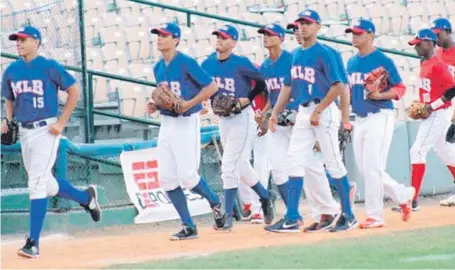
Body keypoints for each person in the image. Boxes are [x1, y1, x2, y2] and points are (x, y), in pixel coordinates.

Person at [1, 26, 101, 258]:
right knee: (44, 183)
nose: (18, 43)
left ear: (36, 41)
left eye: (23, 39)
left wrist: (62, 121)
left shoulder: (49, 66)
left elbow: (74, 90)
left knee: (36, 183)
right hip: (24, 132)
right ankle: (86, 198)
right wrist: (7, 120)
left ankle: (33, 242)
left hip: (47, 130)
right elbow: (9, 98)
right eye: (16, 40)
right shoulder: (12, 70)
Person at [265, 10, 358, 233]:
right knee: (294, 161)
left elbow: (339, 86)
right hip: (304, 112)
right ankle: (293, 217)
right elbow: (288, 86)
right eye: (300, 24)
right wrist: (275, 113)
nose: (302, 27)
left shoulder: (325, 53)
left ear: (318, 26)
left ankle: (348, 215)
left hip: (323, 112)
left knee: (333, 163)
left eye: (307, 23)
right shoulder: (296, 54)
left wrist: (326, 111)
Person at [147, 22, 225, 240]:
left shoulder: (186, 62)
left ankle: (215, 202)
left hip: (187, 122)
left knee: (188, 177)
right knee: (167, 179)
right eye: (158, 35)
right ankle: (188, 226)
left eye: (164, 35)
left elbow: (211, 87)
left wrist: (190, 104)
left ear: (176, 40)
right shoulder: (157, 67)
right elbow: (167, 99)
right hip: (167, 123)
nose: (159, 38)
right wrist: (155, 105)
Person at [201, 24, 276, 231]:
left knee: (229, 165)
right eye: (218, 36)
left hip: (242, 117)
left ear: (233, 43)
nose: (219, 40)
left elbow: (263, 83)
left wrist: (248, 99)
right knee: (241, 164)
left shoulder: (241, 63)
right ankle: (265, 195)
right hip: (224, 119)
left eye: (224, 37)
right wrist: (201, 103)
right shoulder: (208, 63)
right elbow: (201, 85)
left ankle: (228, 217)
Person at [344, 19, 416, 228]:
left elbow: (400, 88)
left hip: (380, 115)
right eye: (352, 33)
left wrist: (380, 95)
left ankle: (375, 216)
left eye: (358, 33)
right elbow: (349, 92)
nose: (354, 36)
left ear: (370, 35)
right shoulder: (351, 62)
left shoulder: (382, 60)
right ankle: (402, 194)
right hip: (360, 118)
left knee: (373, 167)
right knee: (366, 169)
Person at [400, 28, 455, 212]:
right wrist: (422, 103)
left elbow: (452, 89)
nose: (416, 48)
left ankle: (412, 199)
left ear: (430, 43)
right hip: (432, 113)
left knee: (417, 151)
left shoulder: (438, 64)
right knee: (445, 152)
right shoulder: (425, 62)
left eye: (419, 44)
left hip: (437, 113)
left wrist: (431, 106)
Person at [432, 18, 455, 207]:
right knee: (442, 147)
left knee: (449, 145)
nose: (435, 37)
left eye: (438, 33)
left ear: (448, 31)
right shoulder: (437, 53)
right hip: (445, 103)